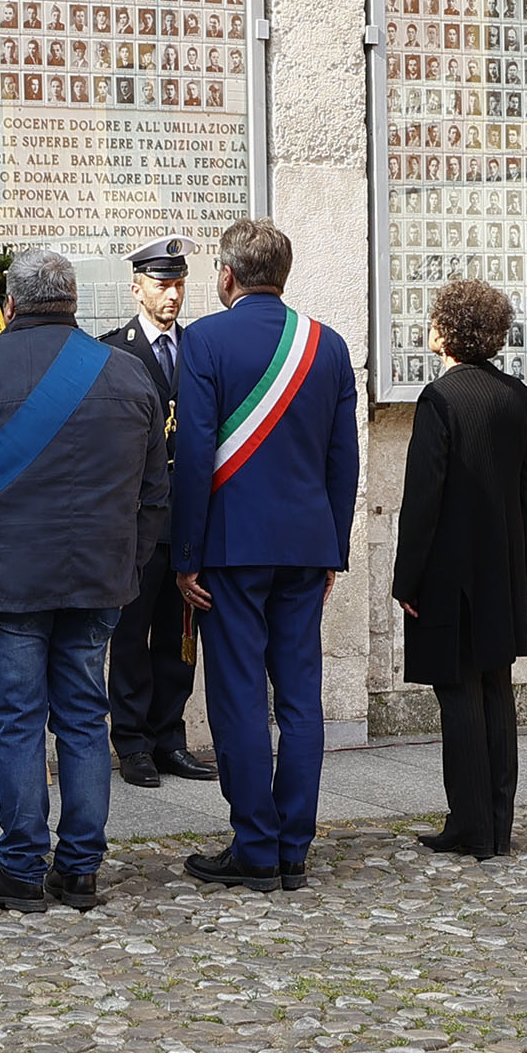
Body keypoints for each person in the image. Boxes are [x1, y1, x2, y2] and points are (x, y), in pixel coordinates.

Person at [0, 250, 168, 912]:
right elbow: (155, 495)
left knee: (19, 723)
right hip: (96, 581)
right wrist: (126, 566)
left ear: (13, 300)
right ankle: (79, 869)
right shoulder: (128, 374)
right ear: (74, 298)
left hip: (4, 579)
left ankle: (22, 869)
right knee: (85, 720)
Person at [172, 217, 357, 893]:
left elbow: (194, 455)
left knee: (242, 698)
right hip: (307, 546)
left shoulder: (206, 339)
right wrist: (332, 549)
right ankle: (294, 846)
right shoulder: (327, 346)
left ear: (226, 275)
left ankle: (255, 845)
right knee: (301, 698)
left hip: (229, 549)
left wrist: (184, 555)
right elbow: (345, 462)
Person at [392, 278, 527, 861]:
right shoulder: (518, 396)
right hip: (502, 569)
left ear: (447, 330)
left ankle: (470, 825)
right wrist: (520, 569)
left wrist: (407, 578)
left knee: (457, 694)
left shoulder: (441, 399)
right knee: (495, 690)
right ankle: (496, 824)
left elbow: (423, 497)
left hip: (448, 575)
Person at [98, 234, 214, 787]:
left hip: (188, 518)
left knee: (180, 634)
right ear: (136, 287)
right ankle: (132, 742)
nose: (173, 296)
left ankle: (171, 736)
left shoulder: (201, 350)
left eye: (180, 285)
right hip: (133, 520)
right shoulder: (112, 350)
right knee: (130, 635)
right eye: (163, 285)